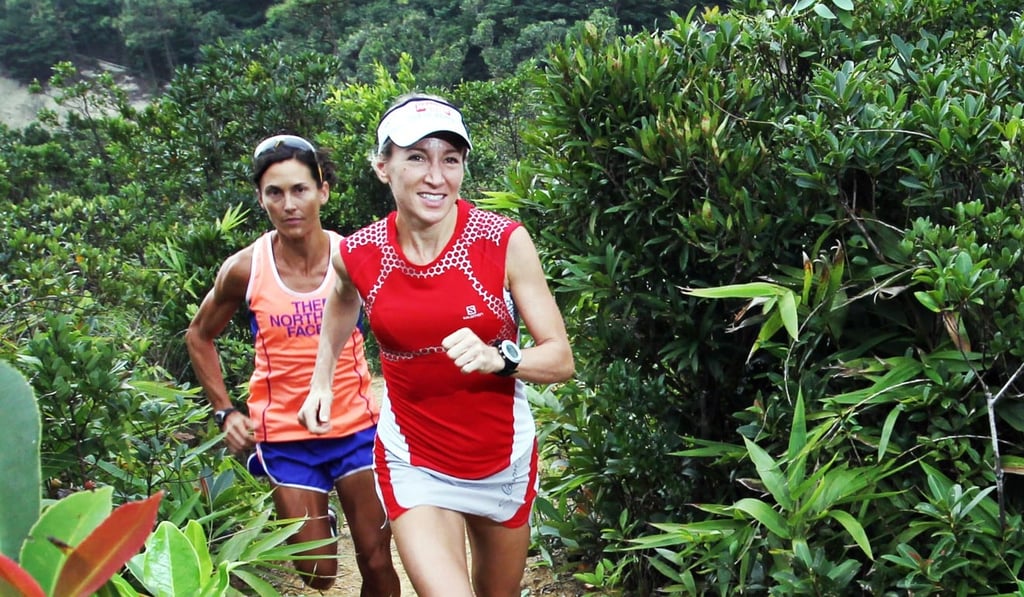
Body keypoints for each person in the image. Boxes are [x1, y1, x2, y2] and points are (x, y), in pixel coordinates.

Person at [298, 94, 575, 597]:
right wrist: (321, 381)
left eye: (450, 159)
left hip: (503, 461)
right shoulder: (358, 253)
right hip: (415, 460)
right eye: (416, 157)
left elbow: (559, 357)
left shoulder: (502, 241)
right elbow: (342, 298)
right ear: (382, 167)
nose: (435, 176)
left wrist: (500, 358)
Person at [185, 134, 401, 595]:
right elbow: (199, 336)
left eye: (300, 189)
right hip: (284, 437)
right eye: (274, 193)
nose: (289, 204)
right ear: (261, 199)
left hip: (356, 429)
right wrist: (225, 411)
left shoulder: (355, 258)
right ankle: (325, 521)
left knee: (378, 558)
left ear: (322, 190)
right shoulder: (245, 269)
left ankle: (347, 514)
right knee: (318, 575)